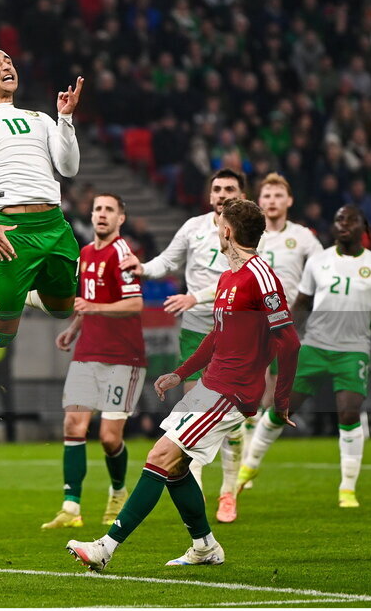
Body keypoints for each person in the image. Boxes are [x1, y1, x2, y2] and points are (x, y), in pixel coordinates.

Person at [67, 199, 301, 571]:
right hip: (211, 384)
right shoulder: (227, 278)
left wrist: (282, 401)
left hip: (232, 392)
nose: (216, 230)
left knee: (160, 456)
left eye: (219, 224)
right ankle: (205, 546)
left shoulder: (260, 276)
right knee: (176, 468)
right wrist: (181, 372)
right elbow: (217, 335)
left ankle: (105, 548)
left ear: (227, 232)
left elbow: (289, 341)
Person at [237, 205, 371, 508]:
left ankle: (347, 488)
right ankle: (249, 466)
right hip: (314, 347)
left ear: (362, 227)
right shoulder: (319, 261)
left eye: (350, 220)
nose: (343, 224)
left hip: (353, 350)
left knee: (349, 412)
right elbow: (301, 304)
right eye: (339, 219)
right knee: (281, 409)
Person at [119, 168, 246, 523]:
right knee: (195, 412)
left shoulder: (250, 232)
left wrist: (194, 296)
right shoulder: (193, 227)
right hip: (195, 330)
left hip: (235, 331)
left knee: (232, 420)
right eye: (217, 189)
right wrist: (142, 268)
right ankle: (201, 490)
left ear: (241, 194)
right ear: (209, 196)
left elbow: (242, 279)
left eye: (229, 189)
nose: (221, 194)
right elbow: (169, 260)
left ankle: (229, 490)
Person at [0, 46, 83, 348]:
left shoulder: (40, 118)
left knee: (62, 311)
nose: (6, 66)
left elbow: (69, 167)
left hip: (54, 225)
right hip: (11, 232)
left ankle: (13, 290)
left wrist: (65, 118)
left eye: (9, 61)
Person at [46, 193, 145, 530]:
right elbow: (88, 301)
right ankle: (71, 507)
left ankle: (118, 491)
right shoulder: (86, 253)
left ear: (121, 219)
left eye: (109, 210)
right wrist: (74, 328)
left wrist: (95, 310)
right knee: (73, 425)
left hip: (123, 358)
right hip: (87, 352)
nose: (102, 215)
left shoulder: (123, 254)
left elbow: (135, 305)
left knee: (108, 438)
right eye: (98, 209)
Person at [242, 173, 322, 485]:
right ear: (258, 202)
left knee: (274, 394)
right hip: (253, 320)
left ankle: (250, 450)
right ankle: (245, 456)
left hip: (288, 322)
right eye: (267, 195)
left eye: (278, 195)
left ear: (288, 201)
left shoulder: (303, 237)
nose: (272, 201)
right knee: (252, 387)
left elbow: (322, 272)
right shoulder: (249, 235)